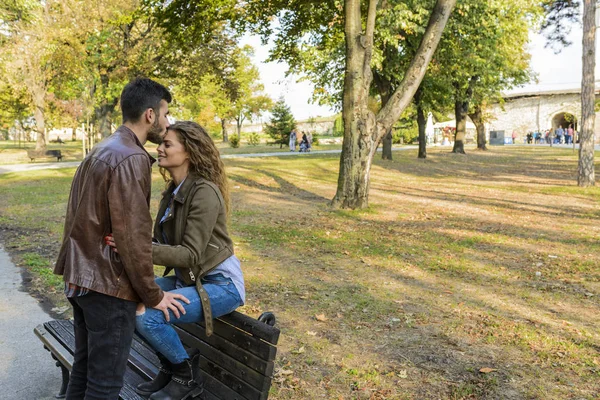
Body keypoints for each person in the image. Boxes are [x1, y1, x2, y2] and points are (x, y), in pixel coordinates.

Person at [53, 78, 189, 400]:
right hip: (107, 286)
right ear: (150, 115)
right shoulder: (131, 158)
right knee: (104, 385)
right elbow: (132, 240)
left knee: (84, 372)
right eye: (165, 114)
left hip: (83, 280)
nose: (167, 122)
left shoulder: (102, 148)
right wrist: (154, 296)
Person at [107, 121, 245, 400]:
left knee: (149, 316)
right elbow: (161, 243)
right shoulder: (173, 191)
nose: (158, 148)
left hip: (221, 284)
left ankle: (186, 376)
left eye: (167, 144)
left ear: (190, 153)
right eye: (161, 143)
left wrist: (135, 247)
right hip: (189, 278)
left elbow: (190, 254)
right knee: (126, 299)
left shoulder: (204, 192)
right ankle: (171, 367)